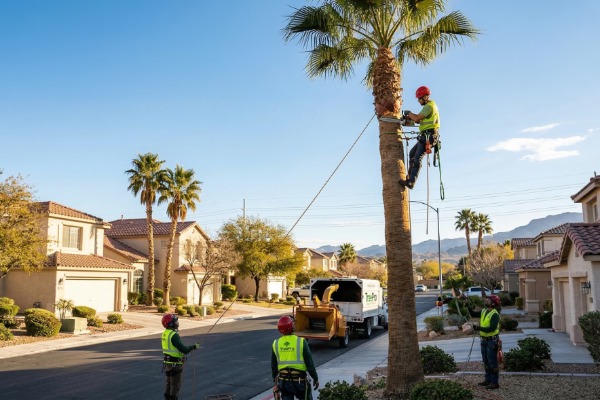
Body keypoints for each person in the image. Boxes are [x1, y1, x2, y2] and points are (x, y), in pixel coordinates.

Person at [398, 85, 440, 189]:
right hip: (426, 136)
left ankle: (411, 182)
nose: (418, 101)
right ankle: (409, 177)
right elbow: (420, 120)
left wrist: (409, 113)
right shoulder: (429, 107)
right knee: (412, 154)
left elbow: (417, 119)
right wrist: (409, 118)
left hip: (429, 136)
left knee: (417, 158)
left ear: (425, 97)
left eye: (419, 99)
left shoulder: (429, 106)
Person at [271, 316, 319, 400]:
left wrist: (275, 380)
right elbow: (309, 363)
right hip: (299, 380)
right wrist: (315, 378)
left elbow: (273, 364)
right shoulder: (301, 341)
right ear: (292, 327)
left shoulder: (276, 343)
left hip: (284, 381)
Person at [161, 313, 200, 400]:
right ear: (171, 324)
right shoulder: (174, 335)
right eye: (175, 321)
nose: (177, 322)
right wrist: (193, 346)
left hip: (168, 363)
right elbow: (184, 349)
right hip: (175, 364)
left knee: (168, 385)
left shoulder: (165, 333)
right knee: (175, 386)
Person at [467, 295, 502, 390]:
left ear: (493, 303)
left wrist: (479, 328)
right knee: (486, 361)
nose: (486, 300)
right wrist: (468, 306)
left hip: (492, 341)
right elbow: (473, 314)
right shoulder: (483, 311)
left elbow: (492, 328)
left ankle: (494, 382)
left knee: (492, 362)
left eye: (488, 300)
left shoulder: (495, 314)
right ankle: (488, 380)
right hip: (484, 340)